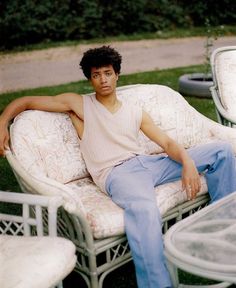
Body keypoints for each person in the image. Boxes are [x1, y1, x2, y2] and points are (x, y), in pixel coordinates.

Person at [0, 45, 236, 288]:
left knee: (221, 151)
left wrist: (187, 161)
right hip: (117, 174)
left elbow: (165, 142)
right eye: (96, 75)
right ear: (90, 79)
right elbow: (26, 101)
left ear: (117, 74)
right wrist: (3, 122)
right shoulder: (80, 105)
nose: (103, 80)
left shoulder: (135, 112)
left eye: (108, 73)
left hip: (146, 163)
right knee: (145, 209)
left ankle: (224, 233)